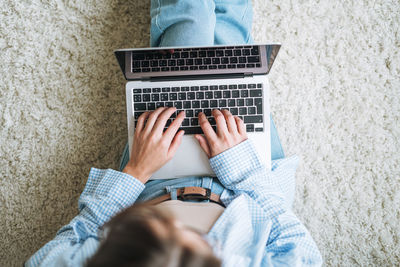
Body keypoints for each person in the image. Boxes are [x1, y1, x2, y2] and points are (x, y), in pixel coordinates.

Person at [26, 0, 322, 266]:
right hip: (251, 191)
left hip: (152, 178)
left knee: (190, 21)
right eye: (197, 238)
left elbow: (51, 255)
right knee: (230, 35)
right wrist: (242, 168)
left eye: (153, 226)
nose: (181, 220)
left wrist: (135, 172)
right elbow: (303, 253)